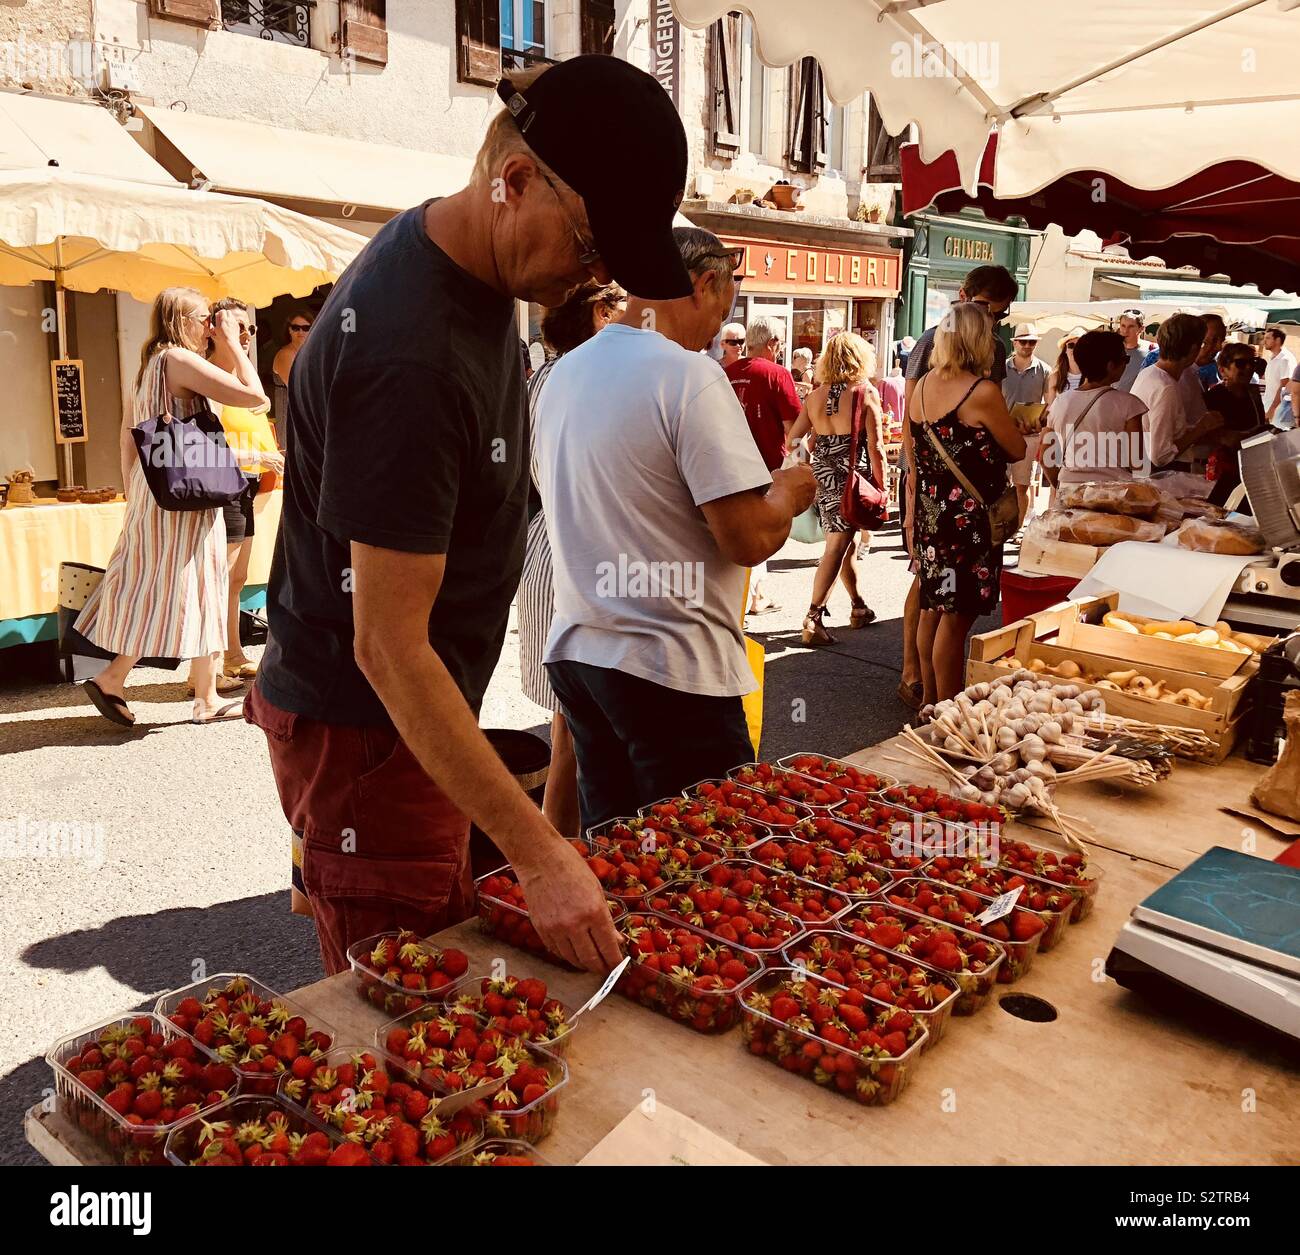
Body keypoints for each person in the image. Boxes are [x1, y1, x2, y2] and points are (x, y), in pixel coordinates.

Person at [245, 54, 694, 976]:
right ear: (516, 181)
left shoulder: (476, 271)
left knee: (438, 979)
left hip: (387, 721)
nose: (595, 275)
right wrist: (539, 852)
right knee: (401, 1009)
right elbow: (388, 647)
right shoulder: (410, 354)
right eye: (590, 245)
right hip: (368, 724)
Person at [534, 226, 816, 830]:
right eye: (724, 307)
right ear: (704, 283)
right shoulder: (688, 375)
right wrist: (789, 493)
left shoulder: (566, 373)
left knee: (620, 862)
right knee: (702, 867)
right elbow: (748, 539)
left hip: (586, 654)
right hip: (669, 666)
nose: (719, 329)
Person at [75, 287, 276, 727]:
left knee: (179, 583)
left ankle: (181, 689)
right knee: (185, 583)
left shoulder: (152, 364)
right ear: (180, 321)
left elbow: (130, 434)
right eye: (204, 318)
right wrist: (235, 347)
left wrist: (132, 486)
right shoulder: (179, 360)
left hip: (162, 491)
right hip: (184, 496)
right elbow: (257, 398)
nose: (210, 325)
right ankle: (125, 679)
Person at [518, 279, 625, 840]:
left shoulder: (543, 376)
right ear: (598, 314)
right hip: (576, 554)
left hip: (550, 548)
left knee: (570, 725)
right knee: (575, 728)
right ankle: (562, 849)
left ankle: (561, 845)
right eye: (617, 303)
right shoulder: (586, 376)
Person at [900, 265, 1017, 711]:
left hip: (934, 516)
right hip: (968, 522)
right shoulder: (982, 391)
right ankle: (947, 709)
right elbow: (1014, 448)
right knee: (956, 619)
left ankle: (930, 701)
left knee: (935, 608)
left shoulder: (924, 385)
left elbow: (916, 448)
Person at [199, 296, 283, 690]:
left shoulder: (243, 377)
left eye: (248, 327)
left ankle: (232, 655)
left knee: (237, 577)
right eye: (235, 327)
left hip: (246, 485)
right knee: (219, 577)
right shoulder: (210, 377)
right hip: (222, 485)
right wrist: (257, 456)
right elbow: (200, 445)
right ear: (214, 332)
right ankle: (205, 670)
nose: (244, 335)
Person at [786, 331, 884, 645]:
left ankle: (857, 606)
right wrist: (883, 488)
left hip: (824, 474)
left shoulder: (815, 396)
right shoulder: (865, 392)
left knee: (845, 543)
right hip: (854, 476)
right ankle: (813, 617)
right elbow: (878, 446)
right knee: (836, 547)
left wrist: (813, 458)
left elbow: (792, 441)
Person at [725, 314, 802, 615]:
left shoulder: (727, 372)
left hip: (728, 463)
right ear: (771, 343)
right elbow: (793, 426)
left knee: (739, 528)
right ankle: (747, 600)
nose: (781, 348)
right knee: (761, 531)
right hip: (765, 465)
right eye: (780, 343)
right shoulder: (777, 373)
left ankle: (754, 595)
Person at [1040, 330, 1148, 487]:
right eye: (1125, 359)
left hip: (1070, 491)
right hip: (1113, 493)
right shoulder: (1129, 405)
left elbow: (1045, 457)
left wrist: (1060, 486)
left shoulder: (1059, 403)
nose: (1126, 363)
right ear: (1111, 366)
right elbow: (1137, 462)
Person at [1130, 313, 1224, 472]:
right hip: (1164, 477)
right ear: (1194, 348)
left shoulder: (1151, 374)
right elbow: (1160, 455)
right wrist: (1201, 428)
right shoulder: (1166, 387)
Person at [1205, 342, 1267, 505]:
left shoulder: (1253, 394)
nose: (1248, 367)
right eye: (1240, 363)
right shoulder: (1215, 397)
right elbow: (1220, 437)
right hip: (1223, 472)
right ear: (1223, 369)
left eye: (1252, 363)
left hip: (1251, 467)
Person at [1002, 323, 1050, 523]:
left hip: (1029, 436)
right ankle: (1001, 525)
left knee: (1022, 485)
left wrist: (1041, 421)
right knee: (1000, 485)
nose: (1027, 345)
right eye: (1023, 341)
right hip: (1002, 433)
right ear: (1015, 343)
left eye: (1031, 342)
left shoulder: (1044, 370)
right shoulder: (1002, 367)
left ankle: (1017, 528)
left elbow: (1049, 402)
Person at [272, 307, 313, 421]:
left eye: (306, 328)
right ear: (289, 330)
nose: (301, 332)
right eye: (296, 328)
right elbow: (297, 388)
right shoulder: (285, 354)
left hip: (308, 413)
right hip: (290, 416)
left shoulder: (310, 353)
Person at [1262, 327, 1296, 429]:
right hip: (1269, 407)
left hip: (1280, 411)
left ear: (1277, 340)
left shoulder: (1285, 359)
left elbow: (1284, 387)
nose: (1264, 341)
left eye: (1268, 338)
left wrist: (1272, 409)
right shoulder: (1273, 358)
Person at [1044, 329, 1084, 408]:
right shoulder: (1055, 377)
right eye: (1071, 346)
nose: (1075, 349)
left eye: (1080, 345)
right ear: (1065, 350)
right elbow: (1051, 409)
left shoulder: (1093, 376)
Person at [1116, 309, 1150, 391]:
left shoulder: (1152, 351)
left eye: (1131, 326)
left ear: (1141, 329)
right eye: (1123, 326)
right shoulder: (1111, 350)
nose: (1125, 331)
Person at [1196, 314, 1227, 389]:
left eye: (1222, 341)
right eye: (1214, 340)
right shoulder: (1172, 372)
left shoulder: (1212, 367)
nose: (1219, 348)